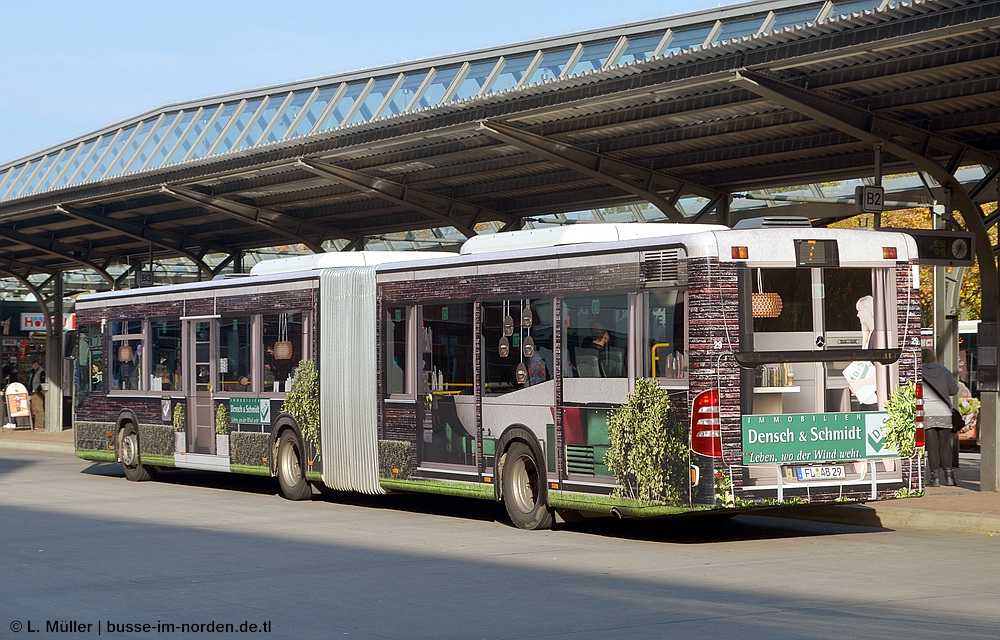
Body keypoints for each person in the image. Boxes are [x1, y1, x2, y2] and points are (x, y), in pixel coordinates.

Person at [922, 348, 959, 487]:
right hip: (944, 411)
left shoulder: (918, 372)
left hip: (927, 412)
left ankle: (935, 478)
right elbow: (954, 390)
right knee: (944, 446)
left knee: (932, 447)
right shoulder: (943, 370)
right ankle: (950, 478)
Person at [28, 359, 45, 429]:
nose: (35, 366)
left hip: (38, 392)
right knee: (34, 409)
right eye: (33, 365)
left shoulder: (41, 372)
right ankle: (37, 424)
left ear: (39, 365)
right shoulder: (32, 373)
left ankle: (40, 424)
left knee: (39, 408)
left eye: (36, 364)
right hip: (33, 392)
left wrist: (38, 390)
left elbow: (42, 382)